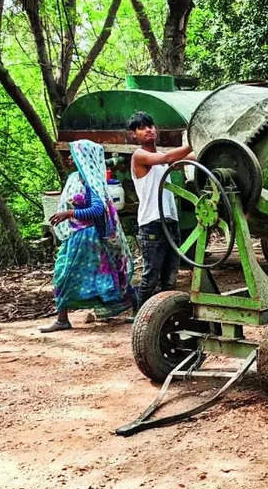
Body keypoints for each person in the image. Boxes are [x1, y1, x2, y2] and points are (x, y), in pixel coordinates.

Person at [40, 140, 134, 332]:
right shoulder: (76, 178)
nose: (69, 158)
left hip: (88, 237)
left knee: (68, 275)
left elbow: (98, 210)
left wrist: (70, 214)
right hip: (76, 235)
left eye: (73, 154)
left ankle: (63, 318)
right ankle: (62, 317)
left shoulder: (92, 181)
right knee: (76, 274)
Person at [128, 111, 196, 307]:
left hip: (170, 221)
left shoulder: (160, 158)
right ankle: (140, 316)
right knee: (151, 276)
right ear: (134, 135)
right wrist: (193, 141)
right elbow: (167, 157)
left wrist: (207, 145)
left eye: (150, 125)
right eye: (142, 128)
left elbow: (190, 157)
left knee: (170, 276)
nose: (148, 130)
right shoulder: (140, 156)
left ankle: (164, 316)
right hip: (152, 224)